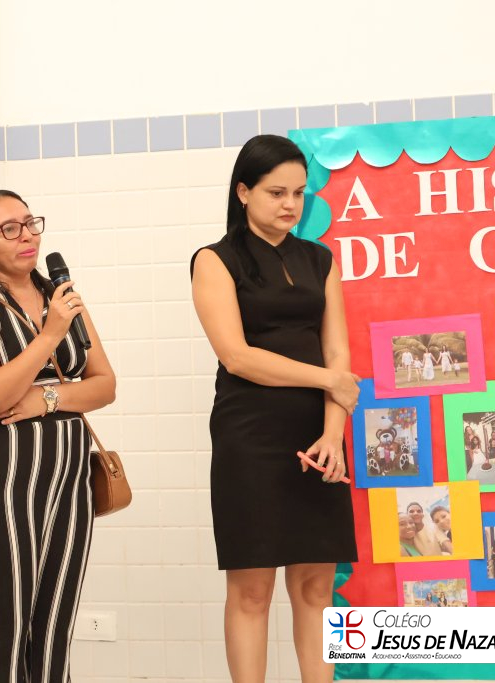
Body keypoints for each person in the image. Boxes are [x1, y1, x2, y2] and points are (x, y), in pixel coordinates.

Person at [190, 134, 358, 683]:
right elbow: (237, 357)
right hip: (250, 437)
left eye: (299, 193)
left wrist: (332, 434)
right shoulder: (215, 260)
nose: (290, 204)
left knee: (316, 586)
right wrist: (329, 380)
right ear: (243, 191)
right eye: (276, 192)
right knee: (252, 590)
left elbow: (337, 352)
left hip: (318, 432)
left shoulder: (319, 259)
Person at [0, 190, 116, 682]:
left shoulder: (61, 297)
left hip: (69, 480)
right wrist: (50, 335)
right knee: (6, 626)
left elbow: (105, 385)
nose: (27, 235)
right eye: (9, 229)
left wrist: (47, 399)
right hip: (2, 479)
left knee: (56, 625)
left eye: (30, 223)